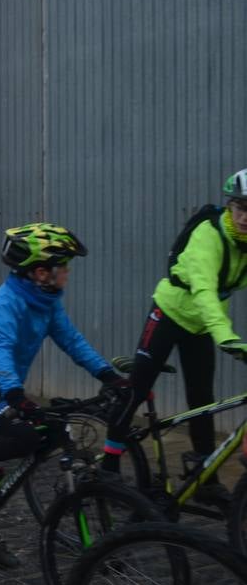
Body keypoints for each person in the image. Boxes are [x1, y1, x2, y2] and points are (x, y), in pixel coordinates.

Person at [0, 223, 124, 567]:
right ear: (40, 272)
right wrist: (16, 396)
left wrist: (106, 374)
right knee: (22, 436)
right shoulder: (5, 306)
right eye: (61, 266)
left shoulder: (46, 302)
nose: (66, 273)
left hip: (4, 388)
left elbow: (72, 340)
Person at [101, 171, 247, 503]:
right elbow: (205, 293)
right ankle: (107, 469)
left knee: (203, 401)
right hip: (168, 314)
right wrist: (226, 337)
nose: (244, 217)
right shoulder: (209, 236)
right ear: (230, 206)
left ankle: (204, 477)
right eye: (240, 207)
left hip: (199, 326)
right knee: (136, 389)